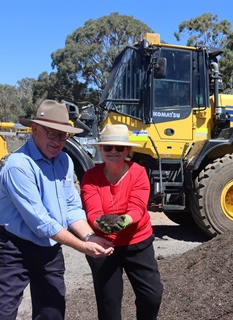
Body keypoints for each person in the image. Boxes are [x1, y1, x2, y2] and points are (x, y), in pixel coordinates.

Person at [0, 100, 114, 320]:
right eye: (52, 134)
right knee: (3, 313)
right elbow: (41, 223)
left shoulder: (64, 160)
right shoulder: (18, 166)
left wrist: (90, 236)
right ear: (35, 129)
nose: (57, 141)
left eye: (63, 135)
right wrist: (83, 246)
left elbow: (72, 207)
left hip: (49, 247)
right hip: (13, 248)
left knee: (52, 311)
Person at [81, 124, 163, 320]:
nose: (113, 152)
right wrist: (100, 222)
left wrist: (126, 219)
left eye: (119, 147)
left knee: (152, 297)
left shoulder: (138, 172)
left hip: (137, 242)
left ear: (128, 150)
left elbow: (138, 206)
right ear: (101, 149)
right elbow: (92, 210)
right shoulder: (90, 177)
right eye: (108, 147)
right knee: (109, 307)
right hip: (104, 246)